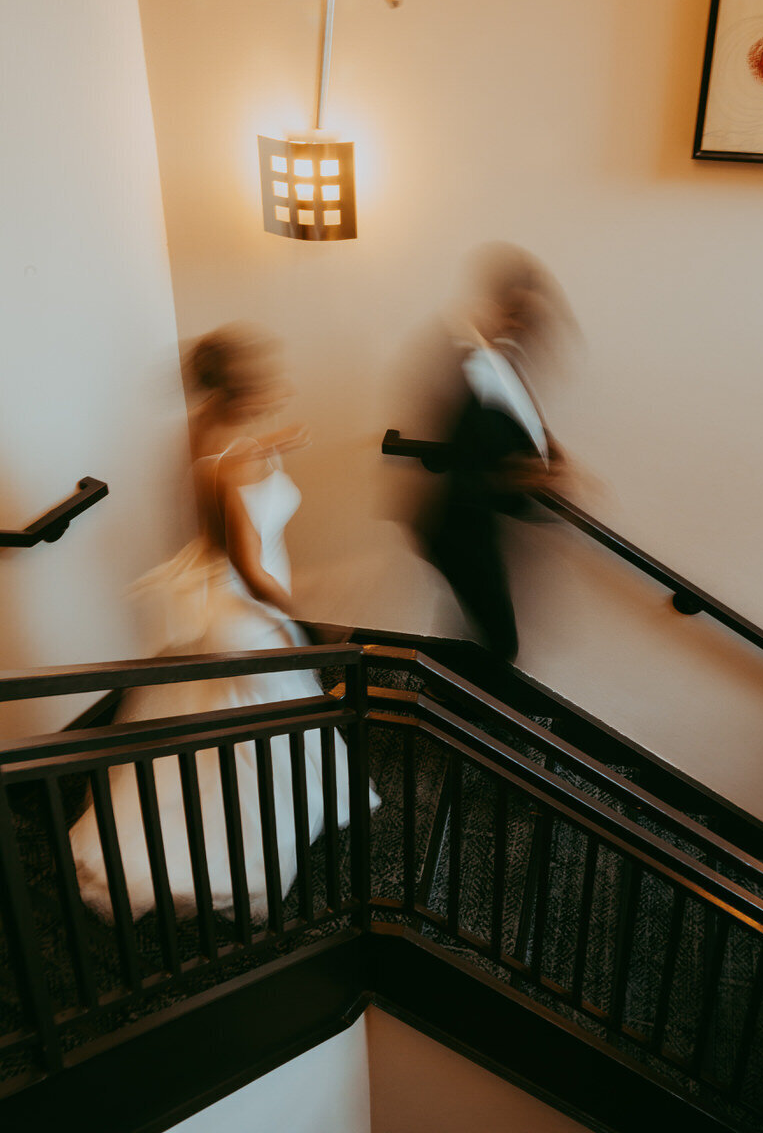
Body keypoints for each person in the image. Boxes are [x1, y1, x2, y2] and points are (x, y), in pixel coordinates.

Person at [70, 322, 379, 923]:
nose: (274, 389)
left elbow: (224, 490)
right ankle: (230, 857)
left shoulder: (206, 432)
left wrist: (274, 442)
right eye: (262, 383)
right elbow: (251, 568)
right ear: (240, 392)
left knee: (225, 735)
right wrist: (309, 612)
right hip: (246, 613)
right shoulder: (230, 462)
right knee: (252, 741)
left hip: (221, 603)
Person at [413, 244, 573, 662]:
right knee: (499, 643)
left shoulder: (501, 360)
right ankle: (444, 715)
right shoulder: (466, 360)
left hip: (476, 522)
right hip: (455, 522)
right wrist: (520, 476)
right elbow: (462, 450)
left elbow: (516, 423)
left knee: (483, 635)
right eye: (520, 313)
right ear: (499, 304)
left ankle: (442, 705)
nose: (528, 325)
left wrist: (550, 454)